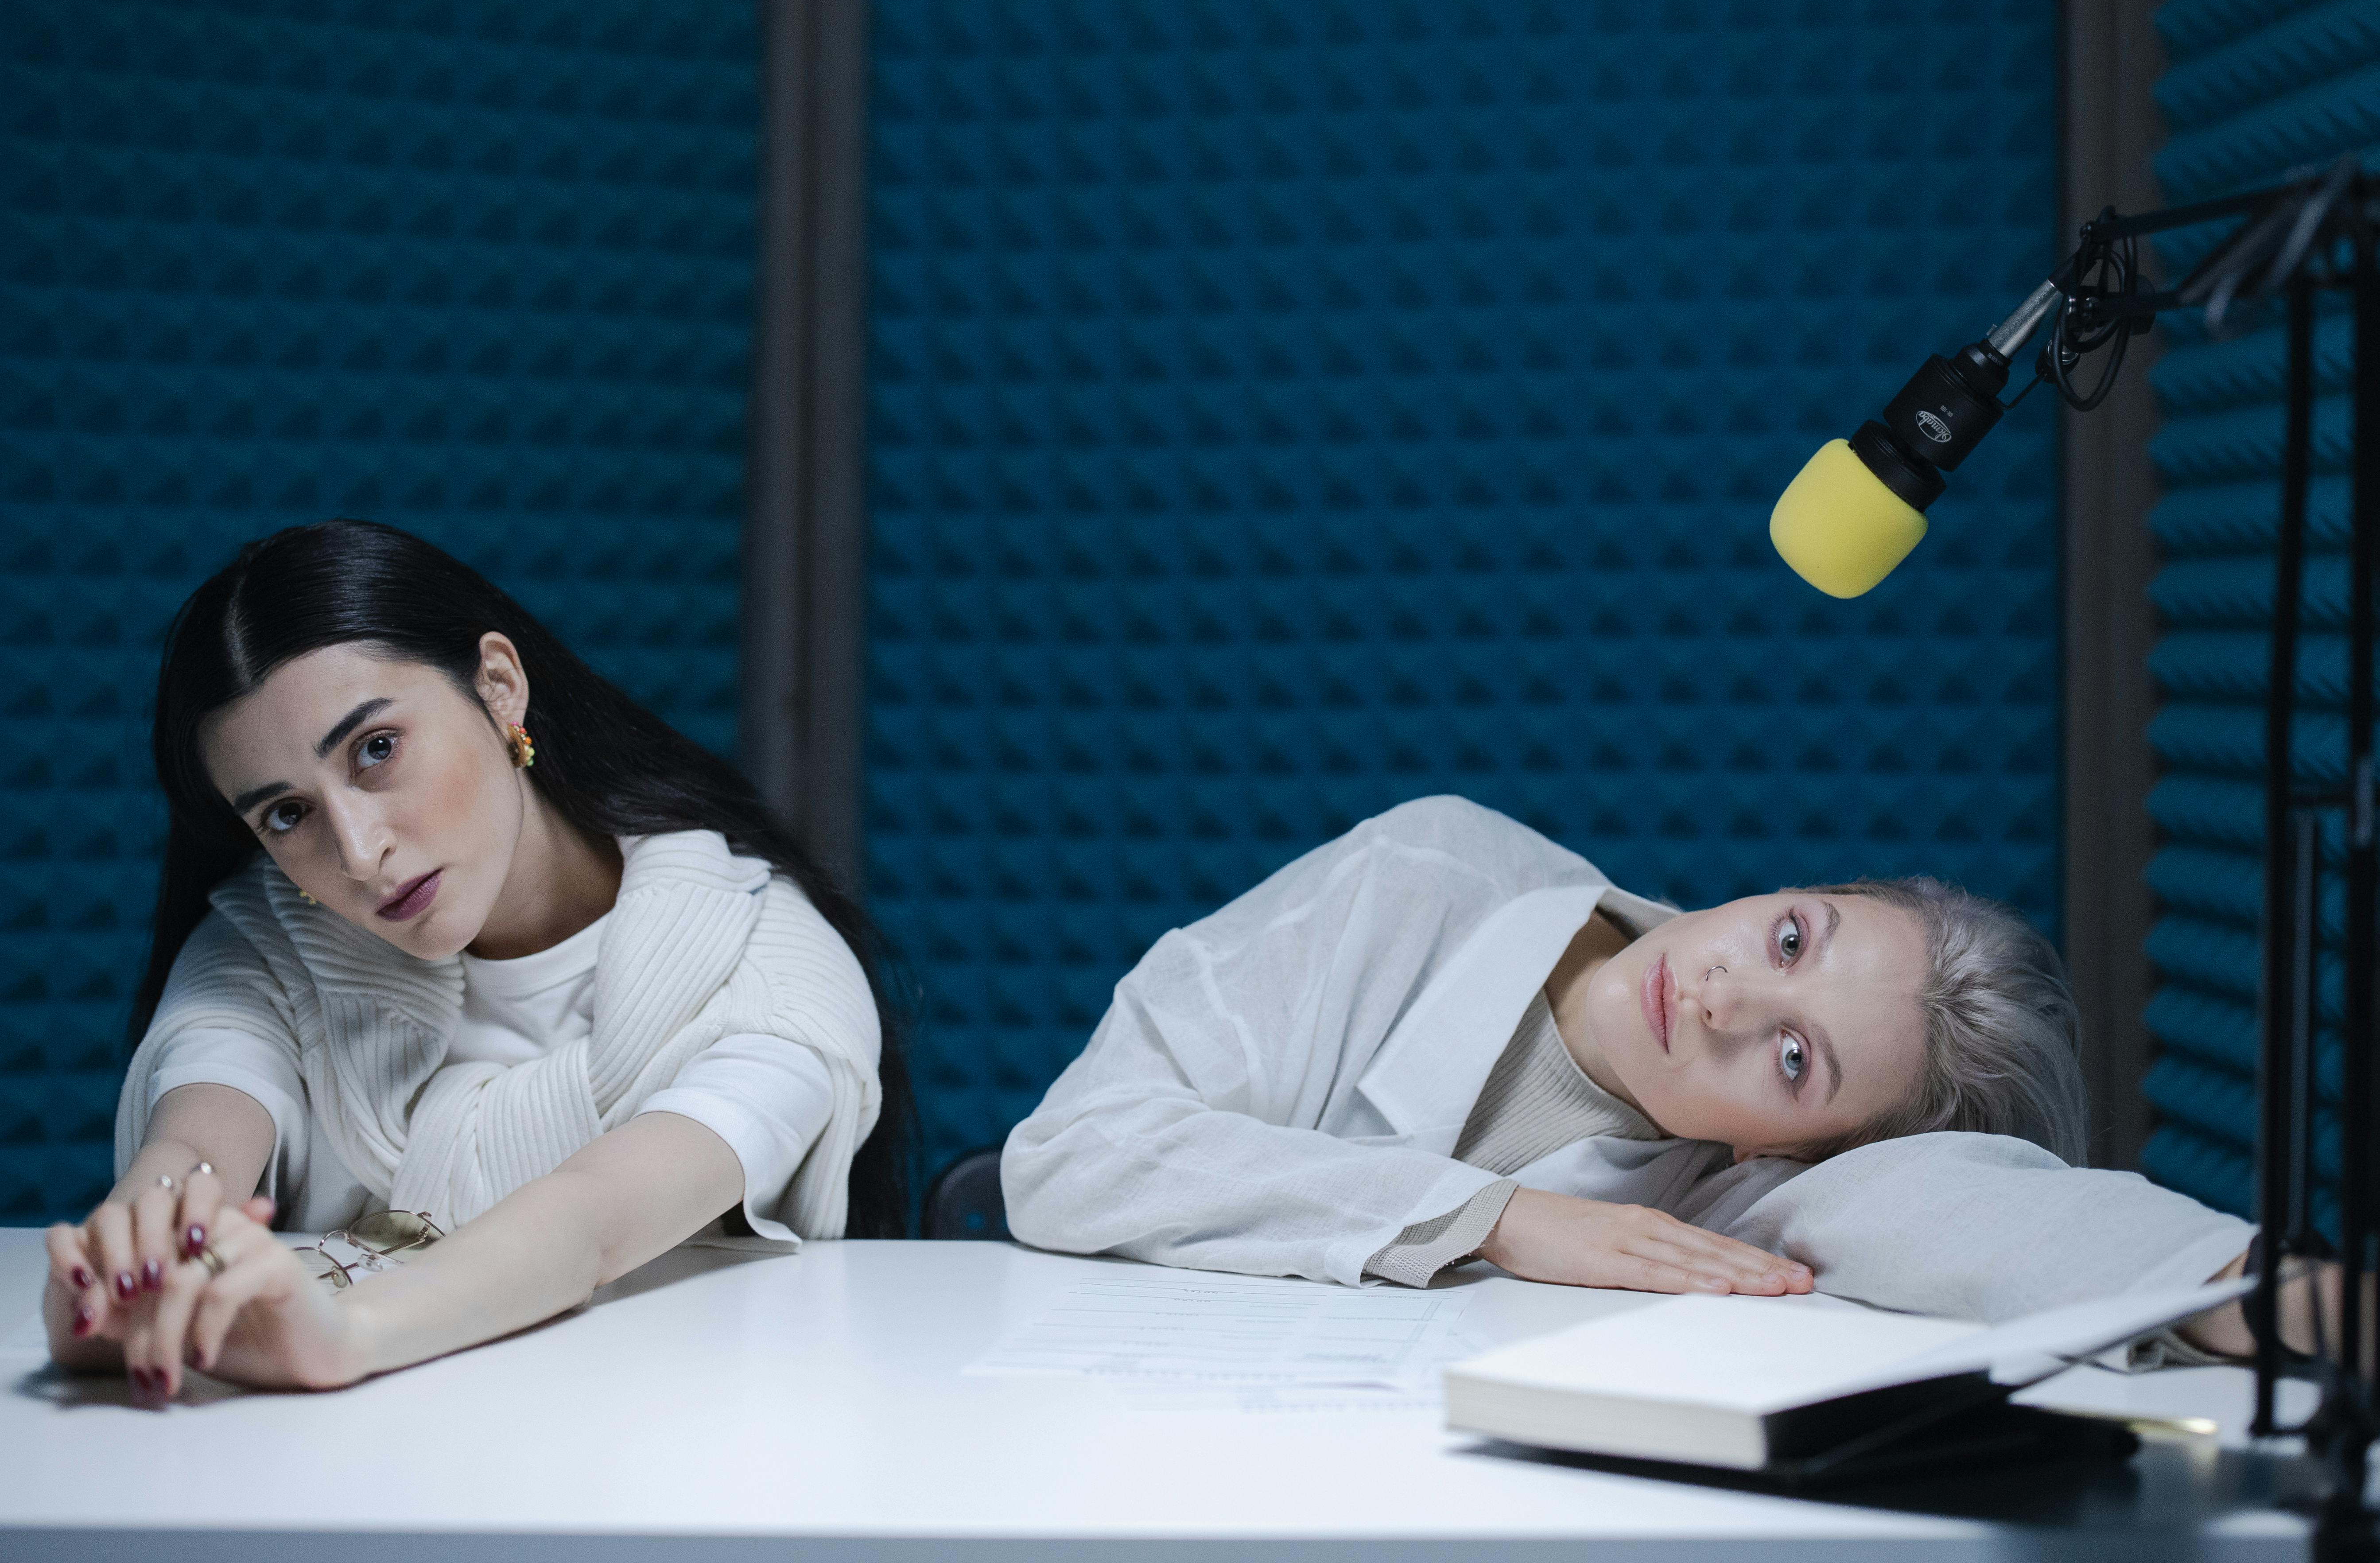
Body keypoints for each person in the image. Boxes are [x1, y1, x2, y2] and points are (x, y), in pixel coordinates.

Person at [40, 520, 912, 1401]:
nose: (359, 851)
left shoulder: (767, 969)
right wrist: (131, 1254)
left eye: (376, 750)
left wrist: (344, 1333)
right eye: (287, 815)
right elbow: (195, 1139)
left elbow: (588, 1220)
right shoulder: (267, 949)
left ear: (499, 687)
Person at [1005, 796, 2264, 1351]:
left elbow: (1991, 1211)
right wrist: (1493, 1216)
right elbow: (1068, 1154)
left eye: (1790, 1056)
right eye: (1789, 937)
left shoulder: (1716, 1195)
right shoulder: (1430, 872)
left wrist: (2264, 1290)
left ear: (1791, 1149)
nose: (1720, 991)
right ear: (1797, 889)